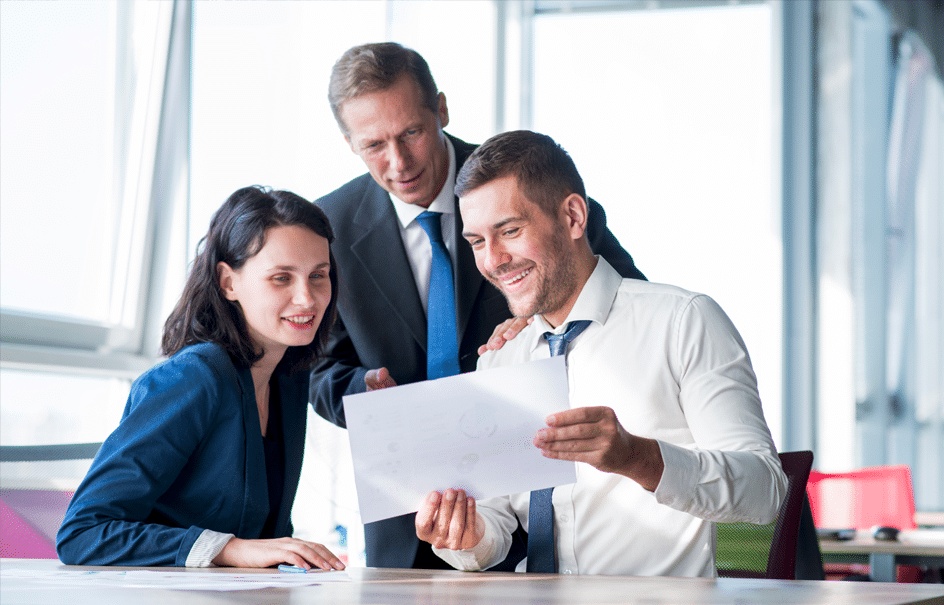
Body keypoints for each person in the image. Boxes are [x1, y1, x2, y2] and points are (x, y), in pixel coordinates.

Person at [310, 41, 646, 570]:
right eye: (374, 144)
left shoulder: (525, 183)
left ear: (440, 109)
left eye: (412, 134)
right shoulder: (328, 226)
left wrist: (545, 318)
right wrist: (363, 390)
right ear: (349, 143)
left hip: (544, 496)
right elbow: (319, 368)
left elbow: (628, 306)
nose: (398, 163)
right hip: (408, 515)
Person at [414, 130, 788, 576]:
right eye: (477, 242)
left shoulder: (684, 321)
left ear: (572, 217)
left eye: (510, 230)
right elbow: (495, 529)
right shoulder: (501, 357)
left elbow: (766, 491)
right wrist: (464, 535)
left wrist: (641, 458)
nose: (493, 260)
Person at [57, 186, 346, 570]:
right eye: (281, 279)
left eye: (318, 276)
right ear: (228, 282)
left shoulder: (289, 379)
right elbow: (82, 533)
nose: (307, 299)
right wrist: (230, 549)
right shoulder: (195, 377)